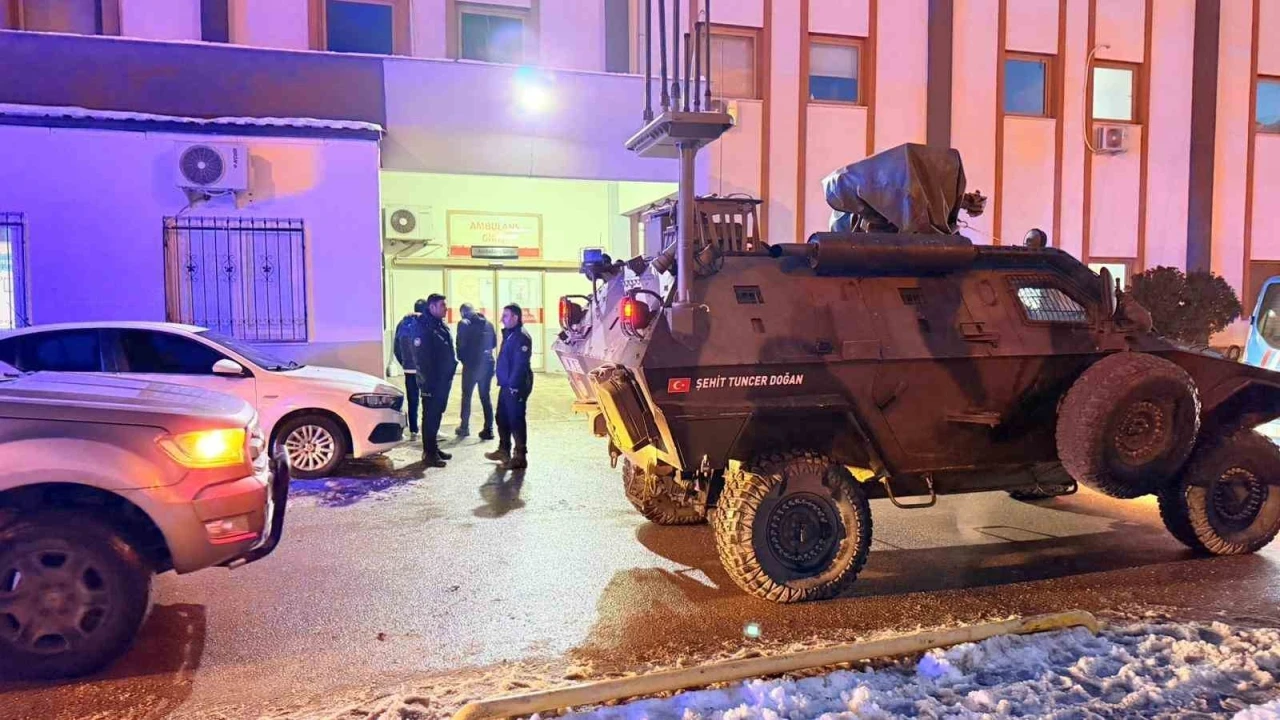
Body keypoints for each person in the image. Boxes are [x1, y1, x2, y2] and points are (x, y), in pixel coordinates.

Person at [412, 293, 458, 467]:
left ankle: (434, 448)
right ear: (432, 307)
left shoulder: (439, 324)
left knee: (437, 414)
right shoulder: (423, 327)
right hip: (432, 382)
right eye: (442, 305)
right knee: (430, 416)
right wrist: (427, 383)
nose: (446, 308)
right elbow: (421, 359)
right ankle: (429, 454)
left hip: (442, 381)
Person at [486, 304, 534, 469]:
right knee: (502, 417)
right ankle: (503, 450)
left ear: (515, 317)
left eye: (505, 316)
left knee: (516, 419)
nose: (502, 319)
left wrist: (514, 386)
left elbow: (520, 365)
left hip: (516, 385)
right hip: (506, 385)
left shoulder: (521, 337)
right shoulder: (510, 334)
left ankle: (520, 456)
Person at [454, 303, 496, 440]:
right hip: (487, 364)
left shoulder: (463, 324)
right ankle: (489, 429)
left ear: (463, 313)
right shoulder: (488, 324)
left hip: (471, 366)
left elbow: (460, 345)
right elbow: (494, 343)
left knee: (466, 396)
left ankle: (464, 427)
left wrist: (464, 360)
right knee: (485, 396)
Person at [392, 299, 428, 440]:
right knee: (428, 400)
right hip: (424, 369)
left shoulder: (402, 323)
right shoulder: (425, 322)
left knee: (412, 400)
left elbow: (396, 347)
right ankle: (429, 429)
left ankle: (414, 430)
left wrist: (404, 363)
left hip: (409, 370)